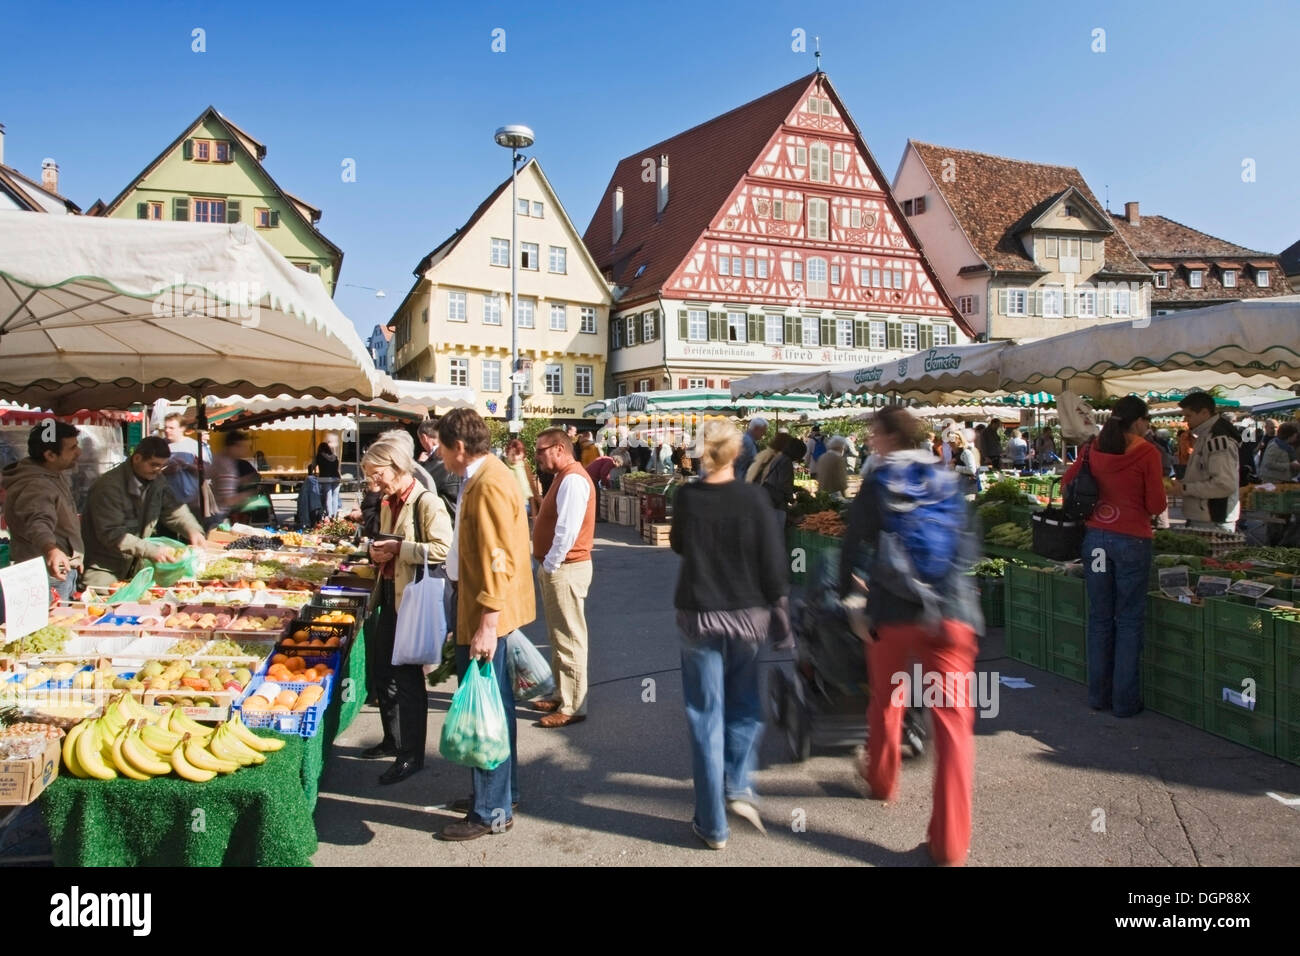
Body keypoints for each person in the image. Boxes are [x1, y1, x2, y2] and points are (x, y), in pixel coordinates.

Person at [837, 406, 981, 866]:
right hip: (952, 614)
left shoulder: (880, 481)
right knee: (955, 727)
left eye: (873, 434)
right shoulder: (946, 478)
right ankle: (951, 845)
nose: (870, 441)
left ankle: (883, 781)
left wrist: (848, 594)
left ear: (885, 436)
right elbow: (966, 547)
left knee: (888, 698)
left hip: (895, 610)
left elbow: (852, 543)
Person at [670, 420, 789, 849]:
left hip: (700, 614)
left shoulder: (687, 497)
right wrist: (780, 610)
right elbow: (774, 562)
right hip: (747, 617)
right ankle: (738, 783)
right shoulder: (754, 498)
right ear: (738, 453)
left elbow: (679, 545)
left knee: (705, 715)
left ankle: (712, 825)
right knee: (743, 704)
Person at [436, 409, 535, 841]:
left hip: (484, 610)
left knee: (486, 712)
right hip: (481, 606)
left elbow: (500, 557)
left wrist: (487, 623)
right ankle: (498, 794)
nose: (438, 454)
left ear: (459, 447)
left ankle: (490, 809)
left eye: (441, 446)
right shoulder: (485, 474)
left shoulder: (490, 481)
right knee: (497, 707)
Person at [1062, 396, 1166, 718]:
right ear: (1138, 421)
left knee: (1100, 617)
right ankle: (1124, 702)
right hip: (1132, 542)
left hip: (1095, 542)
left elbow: (1067, 483)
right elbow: (1156, 505)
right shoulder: (1147, 452)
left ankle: (1098, 696)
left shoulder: (1093, 447)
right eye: (1146, 421)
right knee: (1130, 619)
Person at [361, 436, 453, 784]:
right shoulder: (388, 502)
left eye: (376, 473)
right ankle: (392, 738)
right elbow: (387, 542)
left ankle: (411, 754)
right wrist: (377, 551)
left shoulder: (426, 502)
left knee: (409, 678)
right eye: (369, 475)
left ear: (396, 467)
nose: (373, 482)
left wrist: (399, 548)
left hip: (413, 598)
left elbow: (444, 548)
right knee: (383, 670)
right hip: (388, 592)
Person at [530, 427, 598, 728]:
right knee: (559, 636)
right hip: (560, 567)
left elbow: (567, 532)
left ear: (559, 448)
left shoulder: (572, 478)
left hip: (566, 567)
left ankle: (573, 705)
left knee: (569, 638)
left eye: (540, 450)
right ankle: (562, 693)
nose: (538, 457)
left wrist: (551, 564)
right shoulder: (564, 477)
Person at [81, 436, 205, 588]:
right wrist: (152, 551)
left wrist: (192, 530)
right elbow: (111, 533)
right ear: (137, 458)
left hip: (133, 566)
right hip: (104, 569)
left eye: (163, 466)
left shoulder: (157, 480)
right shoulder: (109, 487)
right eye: (154, 465)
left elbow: (173, 508)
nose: (158, 470)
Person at [1, 422, 84, 602]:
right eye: (73, 447)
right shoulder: (37, 484)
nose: (79, 452)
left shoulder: (51, 472)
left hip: (60, 572)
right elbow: (38, 522)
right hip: (47, 576)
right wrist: (51, 549)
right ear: (50, 455)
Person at [1170, 393, 1241, 532]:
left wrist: (1185, 488)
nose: (1185, 420)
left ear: (1204, 412)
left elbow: (1224, 485)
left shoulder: (1217, 440)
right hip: (1207, 516)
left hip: (1213, 517)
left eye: (1189, 415)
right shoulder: (1206, 435)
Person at [161, 412, 209, 512]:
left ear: (182, 428)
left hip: (191, 502)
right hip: (166, 502)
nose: (167, 430)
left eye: (171, 428)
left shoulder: (194, 446)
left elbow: (207, 472)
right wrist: (164, 471)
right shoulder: (159, 446)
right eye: (165, 427)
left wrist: (186, 466)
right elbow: (149, 471)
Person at [209, 431, 258, 525]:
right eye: (244, 446)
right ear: (234, 446)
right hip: (217, 515)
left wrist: (239, 481)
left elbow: (221, 483)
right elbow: (228, 500)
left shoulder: (218, 458)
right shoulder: (226, 467)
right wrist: (250, 495)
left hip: (212, 513)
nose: (246, 450)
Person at [416, 419, 461, 518]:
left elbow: (418, 486)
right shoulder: (454, 455)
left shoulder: (438, 461)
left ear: (424, 437)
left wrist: (420, 464)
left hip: (446, 520)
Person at [761, 436, 806, 514]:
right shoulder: (786, 461)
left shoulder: (779, 456)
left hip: (769, 494)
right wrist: (791, 499)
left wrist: (797, 488)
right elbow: (784, 484)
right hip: (776, 498)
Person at [503, 438, 543, 518]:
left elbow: (530, 489)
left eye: (518, 454)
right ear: (507, 454)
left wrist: (535, 513)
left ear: (523, 454)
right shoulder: (504, 467)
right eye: (512, 454)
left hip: (525, 504)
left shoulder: (524, 466)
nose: (515, 457)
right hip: (509, 505)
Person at [734, 417, 768, 483]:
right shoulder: (747, 442)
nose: (764, 434)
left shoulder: (748, 441)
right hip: (741, 483)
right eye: (763, 431)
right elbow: (742, 465)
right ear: (756, 428)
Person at [314, 441, 341, 518]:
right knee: (335, 497)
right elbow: (337, 468)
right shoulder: (335, 457)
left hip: (325, 478)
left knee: (328, 497)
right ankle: (335, 515)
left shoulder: (319, 456)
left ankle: (329, 515)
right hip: (336, 477)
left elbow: (312, 466)